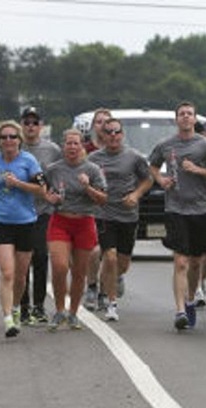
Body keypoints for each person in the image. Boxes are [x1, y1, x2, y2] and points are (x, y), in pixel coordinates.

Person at [149, 101, 206, 331]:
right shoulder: (166, 145)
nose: (185, 117)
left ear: (194, 119)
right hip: (175, 209)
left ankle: (191, 298)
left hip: (202, 209)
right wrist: (161, 180)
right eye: (181, 114)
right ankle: (180, 310)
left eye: (189, 114)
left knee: (196, 263)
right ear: (177, 119)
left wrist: (198, 170)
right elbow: (153, 166)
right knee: (180, 261)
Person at [86, 117, 154, 322]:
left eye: (117, 132)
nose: (113, 135)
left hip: (128, 215)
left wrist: (135, 195)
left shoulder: (134, 157)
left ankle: (108, 281)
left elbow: (148, 179)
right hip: (104, 214)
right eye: (109, 132)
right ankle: (111, 303)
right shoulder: (93, 159)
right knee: (110, 257)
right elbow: (84, 181)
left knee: (122, 264)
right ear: (102, 136)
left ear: (122, 134)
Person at [0, 121, 46, 338]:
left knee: (20, 276)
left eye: (12, 137)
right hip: (1, 221)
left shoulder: (28, 161)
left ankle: (18, 308)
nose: (8, 141)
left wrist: (19, 183)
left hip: (26, 222)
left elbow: (41, 190)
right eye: (4, 138)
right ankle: (8, 318)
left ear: (19, 140)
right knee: (7, 272)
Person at [43, 129, 108, 331]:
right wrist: (49, 198)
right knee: (60, 266)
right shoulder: (53, 169)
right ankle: (60, 310)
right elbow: (43, 190)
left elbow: (103, 199)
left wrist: (88, 187)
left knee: (80, 272)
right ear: (63, 146)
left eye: (76, 143)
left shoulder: (92, 169)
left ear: (82, 146)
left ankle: (73, 313)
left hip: (84, 222)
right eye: (68, 143)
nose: (72, 147)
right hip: (60, 221)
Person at [17, 106, 62, 326]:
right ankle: (23, 308)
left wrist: (56, 194)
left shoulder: (52, 150)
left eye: (35, 123)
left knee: (41, 256)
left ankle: (39, 306)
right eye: (27, 123)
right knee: (22, 261)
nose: (31, 126)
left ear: (41, 126)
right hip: (19, 211)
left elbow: (61, 175)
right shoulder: (13, 146)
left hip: (43, 211)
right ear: (22, 125)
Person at [82, 107, 113, 311]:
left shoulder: (118, 147)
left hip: (113, 209)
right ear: (93, 126)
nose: (102, 125)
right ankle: (92, 287)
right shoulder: (85, 150)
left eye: (106, 122)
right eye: (99, 121)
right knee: (94, 251)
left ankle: (108, 285)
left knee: (112, 256)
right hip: (90, 208)